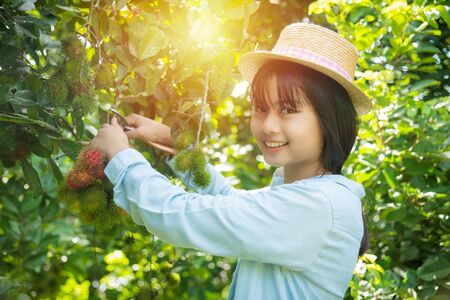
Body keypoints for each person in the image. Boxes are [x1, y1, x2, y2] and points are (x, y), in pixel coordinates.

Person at [91, 22, 372, 300]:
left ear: (329, 120)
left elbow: (176, 214)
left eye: (288, 110)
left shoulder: (318, 206)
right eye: (261, 108)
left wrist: (122, 158)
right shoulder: (307, 193)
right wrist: (174, 145)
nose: (268, 126)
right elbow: (230, 200)